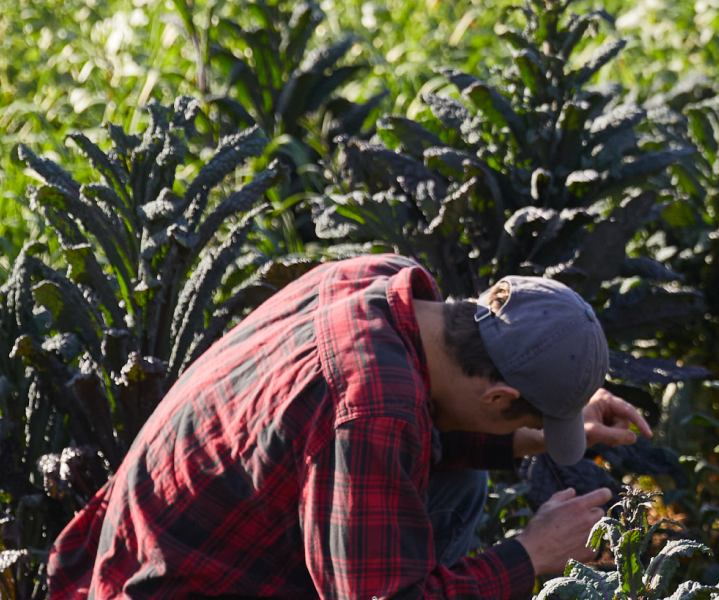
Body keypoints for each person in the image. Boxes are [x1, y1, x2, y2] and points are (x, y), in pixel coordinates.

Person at [50, 254, 653, 600]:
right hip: (175, 587)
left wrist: (534, 427)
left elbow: (409, 421)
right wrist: (531, 554)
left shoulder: (378, 283)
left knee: (459, 483)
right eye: (525, 412)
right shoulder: (373, 410)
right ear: (498, 394)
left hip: (133, 544)